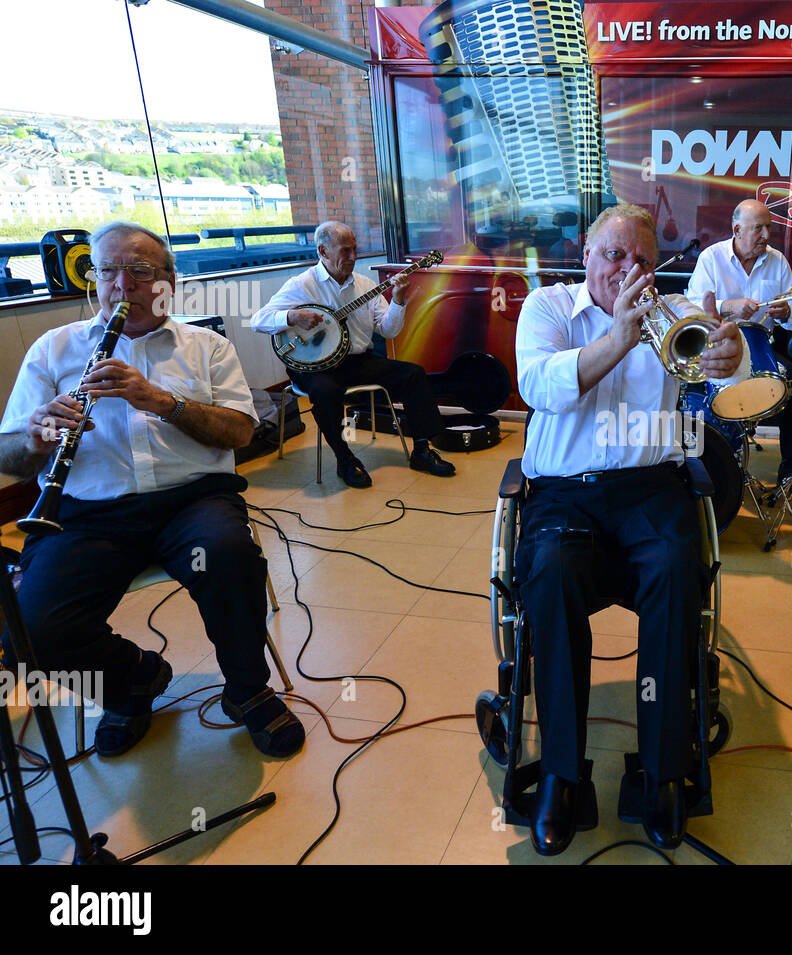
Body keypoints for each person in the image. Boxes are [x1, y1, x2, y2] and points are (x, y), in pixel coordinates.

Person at [0, 221, 304, 759]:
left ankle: (247, 689)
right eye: (107, 272)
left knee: (229, 557)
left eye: (139, 271)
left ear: (168, 281)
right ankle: (134, 681)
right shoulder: (54, 349)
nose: (122, 285)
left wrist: (163, 401)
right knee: (28, 631)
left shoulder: (206, 346)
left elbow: (240, 430)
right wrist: (36, 435)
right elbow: (8, 459)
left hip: (192, 500)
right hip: (86, 514)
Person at [514, 202, 748, 855]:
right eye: (615, 255)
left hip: (650, 487)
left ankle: (665, 772)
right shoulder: (548, 309)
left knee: (678, 569)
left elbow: (722, 378)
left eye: (643, 259)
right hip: (566, 492)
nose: (629, 269)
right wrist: (619, 335)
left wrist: (732, 356)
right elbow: (540, 385)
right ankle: (561, 773)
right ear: (586, 254)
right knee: (552, 573)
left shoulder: (675, 309)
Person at [250, 221, 455, 488]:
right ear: (323, 251)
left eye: (355, 249)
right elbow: (258, 320)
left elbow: (389, 330)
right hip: (314, 367)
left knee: (413, 374)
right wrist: (293, 316)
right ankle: (344, 458)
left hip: (357, 361)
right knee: (325, 391)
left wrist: (398, 299)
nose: (353, 257)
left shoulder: (365, 285)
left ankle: (422, 449)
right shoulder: (302, 285)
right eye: (345, 251)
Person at [687, 199, 792, 484]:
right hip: (717, 348)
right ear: (737, 229)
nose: (766, 235)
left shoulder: (778, 261)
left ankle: (790, 465)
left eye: (769, 228)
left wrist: (788, 311)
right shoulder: (711, 258)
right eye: (758, 229)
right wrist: (729, 306)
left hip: (761, 347)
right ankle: (705, 460)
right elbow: (691, 306)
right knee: (688, 383)